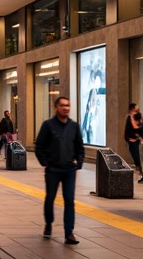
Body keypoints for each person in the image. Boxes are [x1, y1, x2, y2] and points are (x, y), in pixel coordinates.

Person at [34, 96, 84, 245]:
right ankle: (49, 223)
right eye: (62, 105)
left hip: (69, 169)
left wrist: (79, 162)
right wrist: (45, 163)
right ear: (56, 107)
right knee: (50, 198)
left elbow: (80, 147)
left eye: (67, 105)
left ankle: (69, 233)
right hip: (53, 169)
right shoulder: (48, 125)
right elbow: (39, 147)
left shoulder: (74, 126)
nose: (65, 108)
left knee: (69, 200)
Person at [124, 102, 143, 180]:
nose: (137, 108)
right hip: (131, 138)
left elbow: (138, 126)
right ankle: (138, 167)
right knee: (133, 153)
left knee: (136, 154)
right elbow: (127, 128)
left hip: (136, 138)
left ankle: (139, 168)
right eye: (136, 107)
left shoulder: (137, 116)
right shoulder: (129, 117)